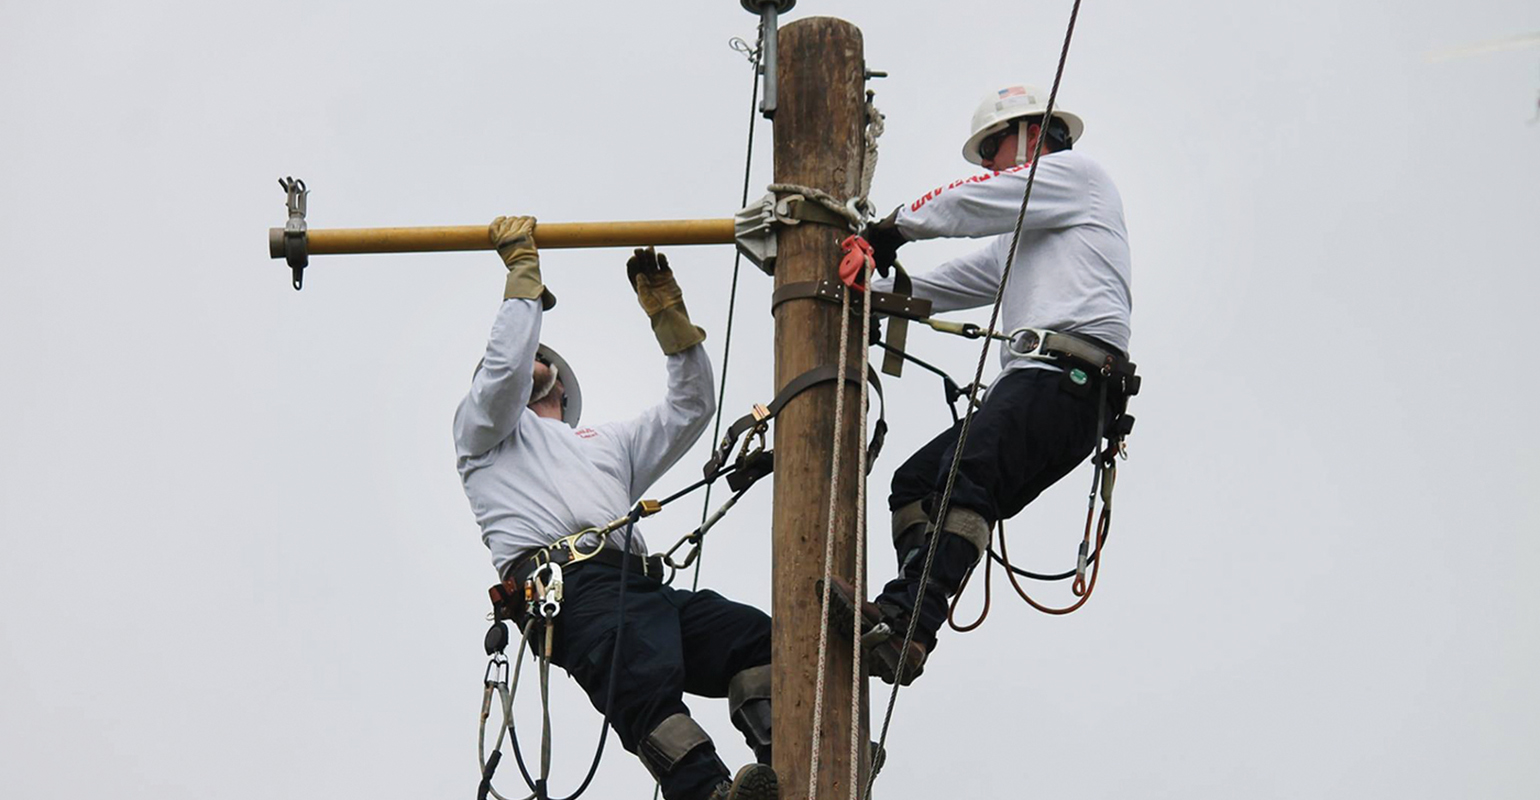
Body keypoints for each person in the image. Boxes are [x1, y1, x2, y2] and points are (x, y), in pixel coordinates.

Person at [453, 216, 778, 800]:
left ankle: (795, 753)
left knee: (755, 639)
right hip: (570, 590)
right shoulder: (484, 436)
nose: (522, 366)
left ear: (560, 386)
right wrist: (524, 276)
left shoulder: (603, 444)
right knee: (641, 683)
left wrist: (668, 316)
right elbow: (502, 373)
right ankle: (709, 792)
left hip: (640, 585)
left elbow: (692, 406)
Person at [832, 84, 1134, 685]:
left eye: (994, 147)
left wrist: (891, 231)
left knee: (968, 473)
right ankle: (905, 615)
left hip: (1070, 376)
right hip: (1044, 383)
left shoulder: (1077, 177)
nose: (991, 162)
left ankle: (910, 619)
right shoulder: (1023, 236)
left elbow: (976, 201)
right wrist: (870, 299)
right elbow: (944, 285)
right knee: (917, 483)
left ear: (1031, 134)